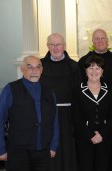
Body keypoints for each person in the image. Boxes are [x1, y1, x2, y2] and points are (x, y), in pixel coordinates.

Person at [0, 56, 59, 171]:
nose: (34, 70)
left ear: (41, 70)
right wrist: (0, 148)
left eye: (38, 67)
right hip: (18, 151)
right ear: (22, 69)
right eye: (30, 67)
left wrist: (53, 145)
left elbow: (54, 120)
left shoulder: (49, 90)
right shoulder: (10, 89)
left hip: (43, 151)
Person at [78, 28, 112, 171]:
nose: (100, 41)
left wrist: (103, 132)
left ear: (107, 40)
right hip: (86, 129)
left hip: (109, 123)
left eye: (102, 38)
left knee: (108, 160)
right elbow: (77, 109)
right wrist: (90, 133)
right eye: (96, 38)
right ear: (92, 41)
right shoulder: (83, 61)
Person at [40, 33, 79, 171]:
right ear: (47, 46)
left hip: (68, 114)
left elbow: (78, 93)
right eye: (52, 44)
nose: (55, 48)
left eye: (58, 44)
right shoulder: (40, 66)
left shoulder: (74, 66)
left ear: (64, 46)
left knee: (68, 146)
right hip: (47, 114)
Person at [72, 55, 112, 171]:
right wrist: (90, 135)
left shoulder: (110, 90)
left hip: (105, 137)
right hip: (84, 138)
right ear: (85, 71)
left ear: (102, 71)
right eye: (91, 68)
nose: (94, 71)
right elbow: (75, 117)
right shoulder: (77, 90)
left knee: (103, 167)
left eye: (98, 68)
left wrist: (102, 134)